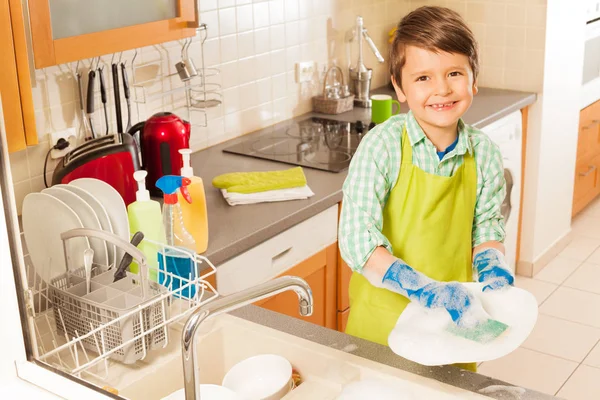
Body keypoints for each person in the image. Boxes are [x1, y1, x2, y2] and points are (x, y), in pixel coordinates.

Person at [338, 6, 515, 372]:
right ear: (400, 88)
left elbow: (486, 228)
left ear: (473, 80)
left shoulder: (484, 152)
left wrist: (491, 262)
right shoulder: (381, 146)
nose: (442, 89)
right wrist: (420, 287)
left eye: (454, 73)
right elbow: (356, 238)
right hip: (383, 322)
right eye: (423, 78)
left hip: (455, 321)